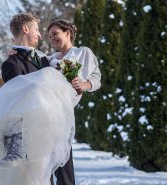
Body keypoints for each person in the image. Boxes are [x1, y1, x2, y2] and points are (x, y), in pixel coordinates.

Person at [0, 14, 101, 185]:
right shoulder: (12, 63)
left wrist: (85, 84)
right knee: (40, 176)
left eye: (52, 34)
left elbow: (88, 77)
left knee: (66, 173)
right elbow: (14, 103)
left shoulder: (46, 59)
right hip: (32, 134)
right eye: (37, 29)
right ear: (25, 29)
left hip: (57, 123)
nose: (41, 35)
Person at [47, 19, 101, 185]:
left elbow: (96, 78)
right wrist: (14, 52)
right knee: (45, 162)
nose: (52, 38)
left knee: (64, 159)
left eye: (55, 34)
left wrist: (85, 85)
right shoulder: (49, 59)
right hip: (46, 111)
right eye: (49, 36)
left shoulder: (83, 53)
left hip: (64, 113)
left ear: (67, 33)